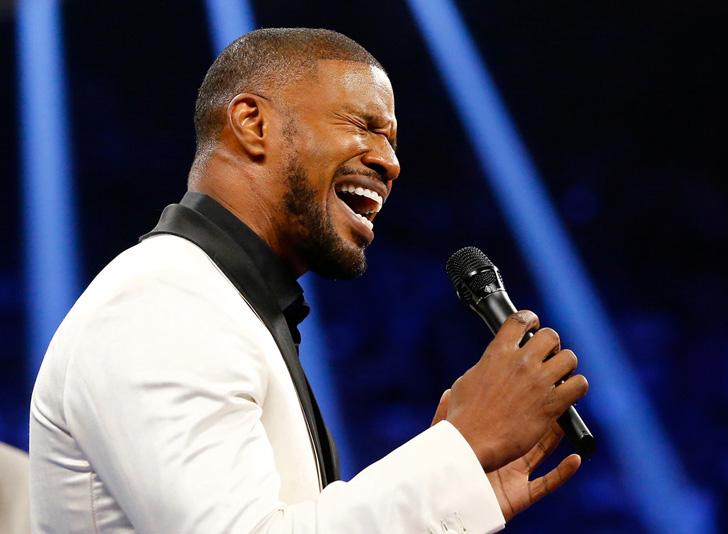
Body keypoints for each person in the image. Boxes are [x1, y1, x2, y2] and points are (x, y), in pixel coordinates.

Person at [29, 28, 589, 533]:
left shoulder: (220, 301)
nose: (390, 163)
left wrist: (455, 483)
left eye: (392, 141)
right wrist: (459, 449)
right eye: (363, 125)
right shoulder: (161, 302)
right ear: (253, 124)